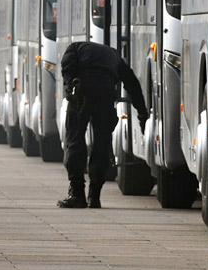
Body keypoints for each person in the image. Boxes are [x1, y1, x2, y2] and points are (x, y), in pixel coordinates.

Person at [57, 41, 148, 209]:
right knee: (102, 143)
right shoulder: (115, 56)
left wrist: (70, 88)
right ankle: (94, 196)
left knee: (74, 140)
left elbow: (67, 66)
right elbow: (132, 84)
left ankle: (77, 194)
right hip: (105, 91)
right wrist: (142, 114)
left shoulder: (74, 48)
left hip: (82, 89)